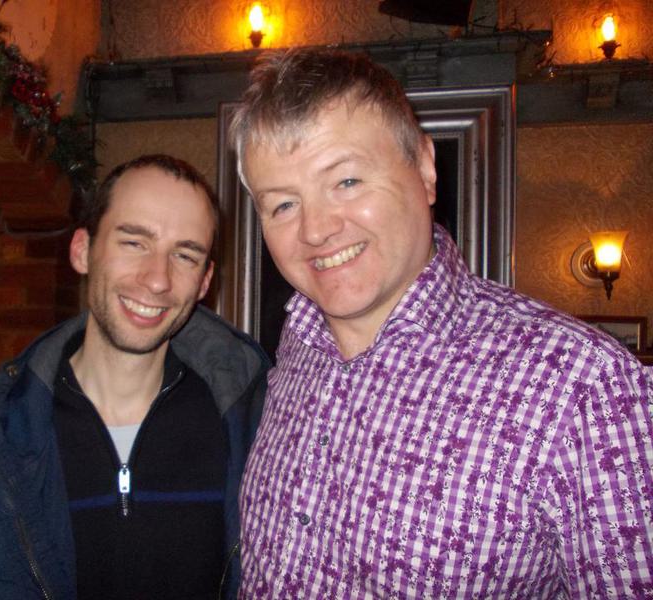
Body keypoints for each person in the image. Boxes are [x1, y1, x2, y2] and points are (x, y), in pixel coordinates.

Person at [231, 48, 653, 598]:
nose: (315, 230)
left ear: (425, 169)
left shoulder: (585, 386)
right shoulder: (294, 349)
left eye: (347, 181)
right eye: (283, 205)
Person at [0, 155, 269, 599]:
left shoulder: (254, 430)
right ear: (82, 251)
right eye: (134, 242)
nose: (157, 280)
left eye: (184, 255)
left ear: (204, 281)